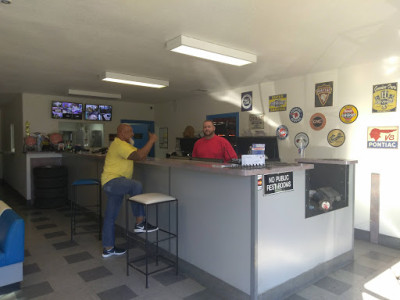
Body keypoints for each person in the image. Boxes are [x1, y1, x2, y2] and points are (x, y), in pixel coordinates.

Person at [101, 123, 158, 258]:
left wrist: (144, 148)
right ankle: (139, 222)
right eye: (129, 131)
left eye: (132, 131)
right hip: (113, 182)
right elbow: (138, 156)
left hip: (114, 184)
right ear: (121, 133)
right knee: (136, 185)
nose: (132, 134)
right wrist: (151, 140)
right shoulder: (119, 144)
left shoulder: (125, 145)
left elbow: (140, 155)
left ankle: (108, 249)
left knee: (110, 217)